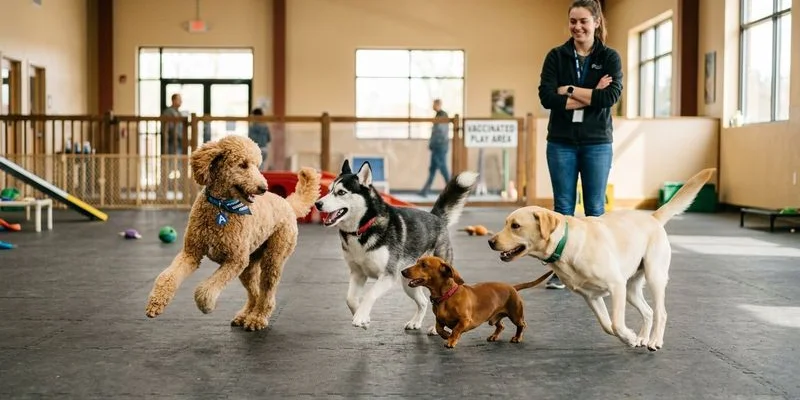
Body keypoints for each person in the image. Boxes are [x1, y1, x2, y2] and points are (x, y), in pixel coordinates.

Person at [537, 0, 622, 289]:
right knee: (563, 207)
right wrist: (591, 92)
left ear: (596, 22)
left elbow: (608, 98)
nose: (577, 27)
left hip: (597, 142)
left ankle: (597, 267)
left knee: (595, 208)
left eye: (583, 21)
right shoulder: (556, 56)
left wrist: (570, 90)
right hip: (561, 142)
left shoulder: (609, 57)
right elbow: (547, 98)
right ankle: (561, 270)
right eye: (573, 21)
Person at [419, 99, 450, 197]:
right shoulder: (438, 115)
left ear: (438, 105)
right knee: (432, 169)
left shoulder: (443, 115)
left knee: (443, 169)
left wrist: (433, 143)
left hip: (440, 147)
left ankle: (452, 191)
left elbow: (439, 132)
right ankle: (425, 190)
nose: (433, 106)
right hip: (436, 147)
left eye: (434, 104)